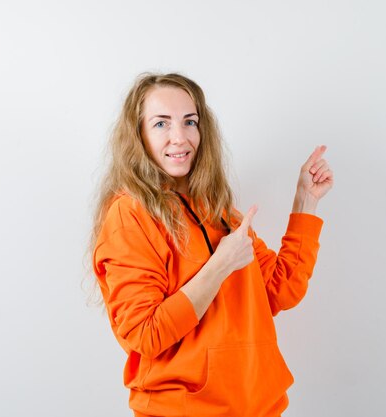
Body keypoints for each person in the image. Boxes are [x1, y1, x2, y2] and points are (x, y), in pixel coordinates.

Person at [89, 73, 333, 417]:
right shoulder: (130, 214)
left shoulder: (217, 209)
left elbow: (281, 290)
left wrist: (305, 201)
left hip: (259, 407)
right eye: (161, 124)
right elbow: (144, 334)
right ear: (138, 135)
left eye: (190, 121)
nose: (180, 137)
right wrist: (219, 266)